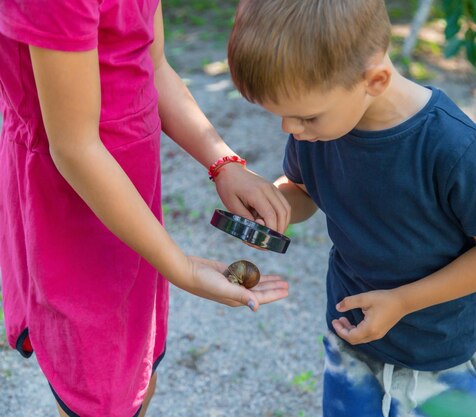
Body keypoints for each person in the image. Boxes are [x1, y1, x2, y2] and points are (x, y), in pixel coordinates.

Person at [227, 1, 476, 416]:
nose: (290, 129)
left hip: (437, 353)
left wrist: (402, 301)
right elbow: (303, 190)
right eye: (283, 116)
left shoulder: (452, 148)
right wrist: (274, 205)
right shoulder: (319, 128)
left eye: (304, 116)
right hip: (351, 336)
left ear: (375, 80)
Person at [0, 1, 290, 416]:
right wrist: (181, 268)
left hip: (131, 197)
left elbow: (152, 65)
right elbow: (74, 148)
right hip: (75, 205)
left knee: (135, 369)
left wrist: (223, 163)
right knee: (99, 392)